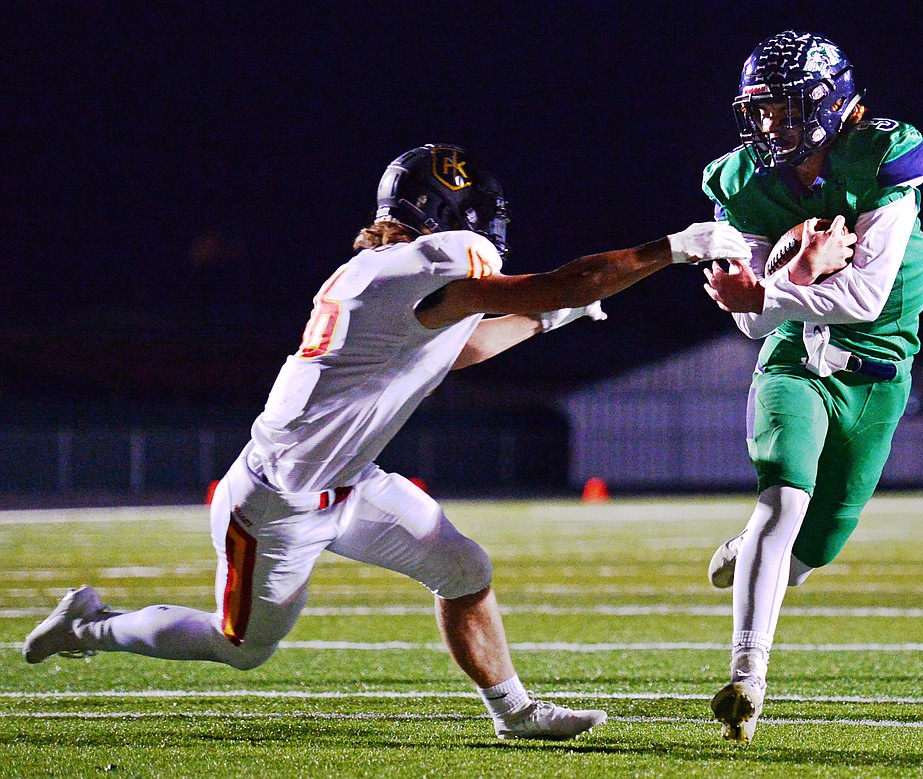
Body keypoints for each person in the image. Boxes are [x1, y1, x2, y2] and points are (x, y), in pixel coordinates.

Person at [23, 143, 751, 741]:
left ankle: (513, 711)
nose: (486, 249)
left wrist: (551, 320)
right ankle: (90, 624)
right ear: (451, 220)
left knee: (464, 568)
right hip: (277, 503)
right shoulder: (437, 260)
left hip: (350, 480)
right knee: (239, 647)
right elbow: (564, 280)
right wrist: (673, 248)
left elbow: (460, 347)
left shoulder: (388, 272)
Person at [699, 31, 923, 743]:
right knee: (782, 499)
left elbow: (863, 297)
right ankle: (747, 676)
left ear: (832, 105)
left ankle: (750, 551)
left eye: (785, 109)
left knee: (816, 545)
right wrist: (786, 282)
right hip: (796, 358)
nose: (770, 126)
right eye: (761, 111)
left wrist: (773, 289)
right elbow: (751, 324)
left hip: (879, 370)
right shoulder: (741, 181)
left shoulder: (883, 156)